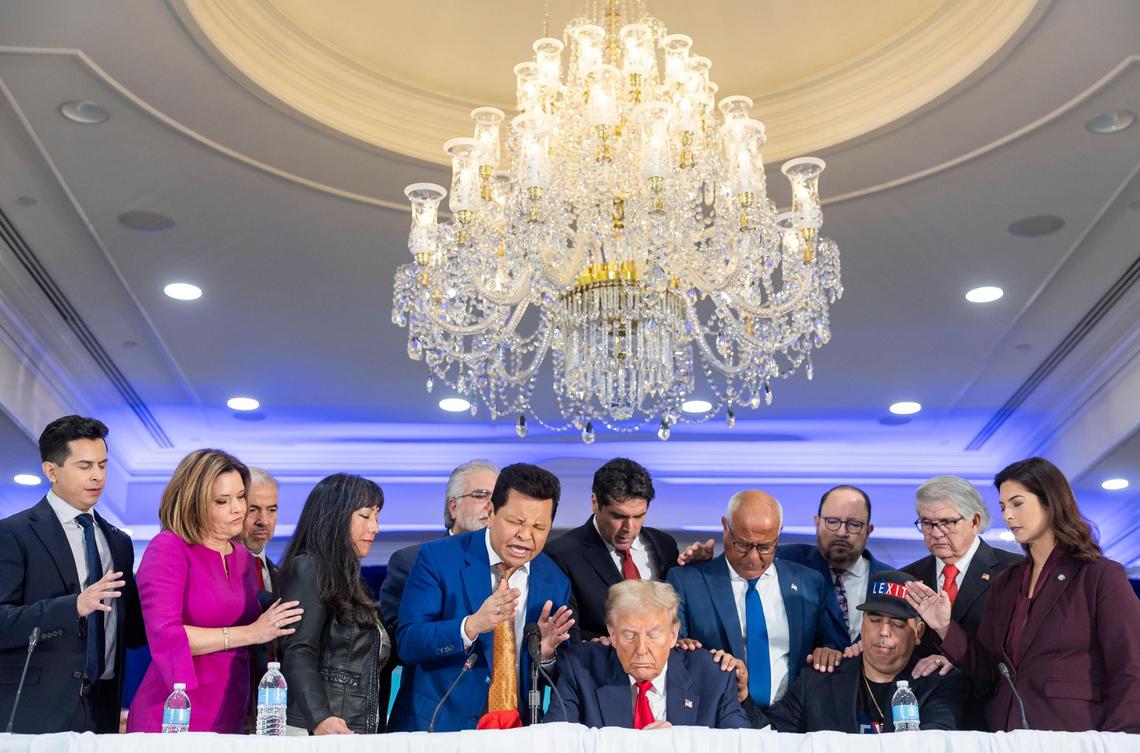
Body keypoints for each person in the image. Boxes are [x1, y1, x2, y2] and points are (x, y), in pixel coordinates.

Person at [907, 457, 1140, 733]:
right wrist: (944, 627)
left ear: (1050, 502)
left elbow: (1131, 667)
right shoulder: (1007, 581)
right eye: (1004, 507)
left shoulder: (1099, 575)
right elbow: (988, 670)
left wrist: (1121, 739)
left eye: (1017, 504)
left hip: (1075, 733)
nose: (1007, 516)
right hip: (1009, 734)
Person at [389, 463, 576, 732]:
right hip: (436, 729)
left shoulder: (554, 581)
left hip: (512, 732)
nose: (526, 536)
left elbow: (560, 679)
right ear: (490, 512)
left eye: (539, 527)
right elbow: (408, 643)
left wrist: (545, 655)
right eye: (516, 522)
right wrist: (470, 626)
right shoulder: (438, 559)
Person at [126, 449, 303, 732]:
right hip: (176, 709)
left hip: (232, 704)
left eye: (241, 496)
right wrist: (250, 633)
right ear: (193, 504)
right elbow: (165, 635)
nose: (238, 508)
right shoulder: (169, 548)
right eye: (223, 501)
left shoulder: (243, 558)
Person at [0, 416, 144, 733]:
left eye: (103, 465)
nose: (97, 476)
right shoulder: (13, 533)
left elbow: (134, 630)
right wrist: (73, 606)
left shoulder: (118, 541)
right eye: (85, 466)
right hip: (33, 709)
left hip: (102, 708)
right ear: (51, 471)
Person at [666, 490, 847, 715]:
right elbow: (674, 654)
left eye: (764, 547)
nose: (753, 558)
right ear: (725, 526)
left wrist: (828, 650)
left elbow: (833, 642)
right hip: (717, 721)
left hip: (794, 724)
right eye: (742, 544)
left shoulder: (809, 582)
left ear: (779, 534)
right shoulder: (687, 582)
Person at [762, 570, 969, 733]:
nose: (884, 632)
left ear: (918, 632)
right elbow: (767, 735)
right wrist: (742, 696)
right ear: (862, 624)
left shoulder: (940, 684)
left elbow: (933, 745)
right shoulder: (817, 679)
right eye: (875, 620)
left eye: (897, 624)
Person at [545, 458, 713, 641]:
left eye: (639, 516)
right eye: (618, 516)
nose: (629, 527)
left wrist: (698, 569)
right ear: (595, 503)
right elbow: (566, 634)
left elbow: (679, 614)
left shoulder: (665, 545)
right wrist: (597, 644)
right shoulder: (561, 555)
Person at [544, 580, 751, 729]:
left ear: (673, 634)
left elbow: (745, 746)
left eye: (653, 635)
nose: (641, 649)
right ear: (612, 634)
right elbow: (558, 743)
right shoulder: (579, 669)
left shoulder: (713, 675)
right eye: (629, 634)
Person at [900, 475, 1021, 729]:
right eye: (926, 522)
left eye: (946, 522)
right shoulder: (907, 578)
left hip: (991, 718)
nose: (935, 533)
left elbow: (1016, 654)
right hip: (926, 721)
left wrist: (957, 657)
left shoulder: (1014, 572)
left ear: (975, 521)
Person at [277, 474, 393, 735]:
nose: (375, 527)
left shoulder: (351, 582)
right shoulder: (308, 568)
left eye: (377, 517)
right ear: (335, 516)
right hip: (320, 729)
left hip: (348, 728)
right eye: (365, 516)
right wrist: (320, 718)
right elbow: (299, 650)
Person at [378, 460, 498, 630]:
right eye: (480, 495)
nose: (490, 505)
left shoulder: (509, 563)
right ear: (453, 507)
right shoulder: (410, 561)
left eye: (496, 498)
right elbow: (399, 633)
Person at [778, 484, 891, 644]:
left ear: (868, 530)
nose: (841, 532)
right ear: (817, 523)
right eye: (832, 521)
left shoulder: (891, 581)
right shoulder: (787, 564)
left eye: (854, 524)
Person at [238, 467, 280, 594]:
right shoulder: (213, 572)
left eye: (271, 510)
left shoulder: (283, 577)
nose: (264, 521)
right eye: (253, 510)